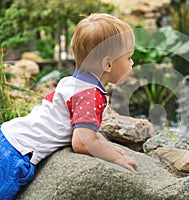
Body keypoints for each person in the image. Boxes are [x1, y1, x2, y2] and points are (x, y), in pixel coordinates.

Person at [0, 13, 138, 199]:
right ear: (107, 64)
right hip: (15, 155)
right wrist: (117, 158)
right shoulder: (90, 95)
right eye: (129, 58)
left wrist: (107, 145)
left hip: (9, 136)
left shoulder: (72, 82)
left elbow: (85, 129)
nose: (133, 63)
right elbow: (81, 142)